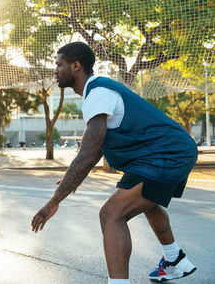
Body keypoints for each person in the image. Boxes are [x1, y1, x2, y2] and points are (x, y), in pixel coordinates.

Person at [31, 42, 197, 284]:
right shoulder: (97, 92)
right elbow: (94, 149)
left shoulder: (98, 92)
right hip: (161, 153)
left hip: (166, 154)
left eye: (59, 65)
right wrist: (72, 178)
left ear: (76, 66)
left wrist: (54, 201)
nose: (55, 70)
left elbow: (89, 152)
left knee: (111, 214)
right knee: (146, 201)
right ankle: (174, 259)